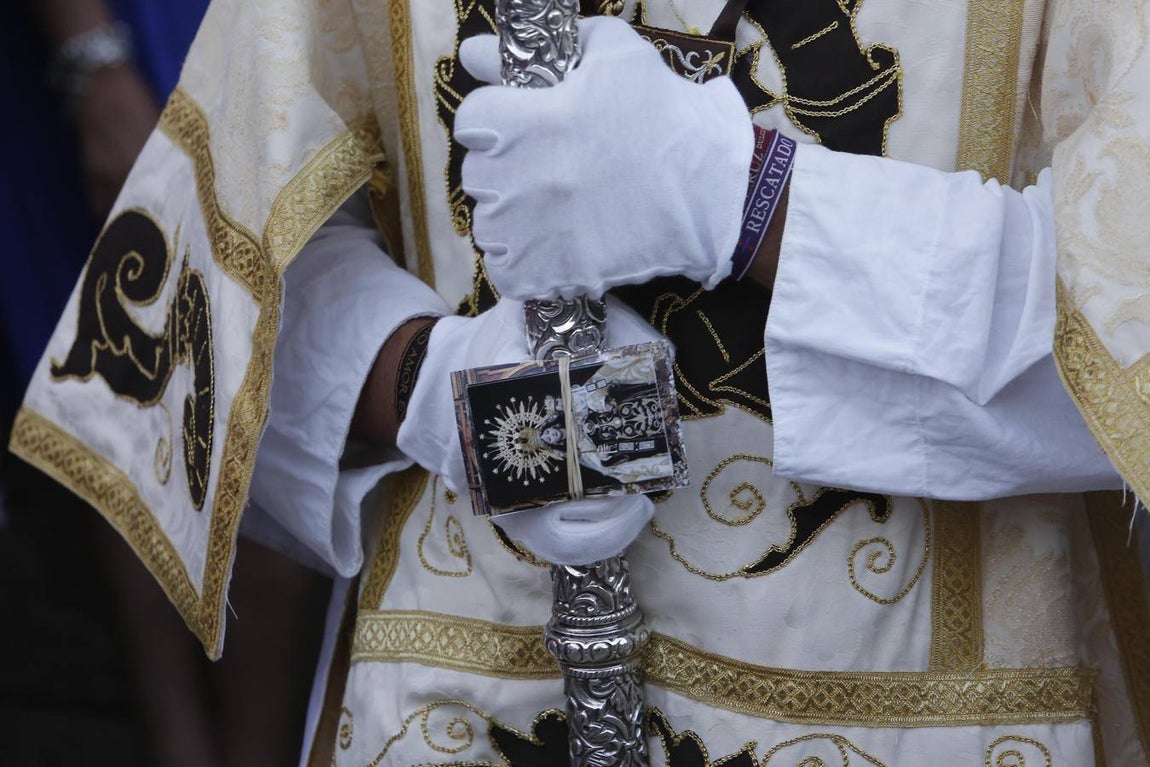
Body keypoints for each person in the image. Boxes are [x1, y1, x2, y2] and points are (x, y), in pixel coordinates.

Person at [10, 0, 1150, 765]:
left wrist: (742, 199)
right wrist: (425, 382)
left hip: (922, 711)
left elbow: (1126, 328)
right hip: (457, 698)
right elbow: (219, 276)